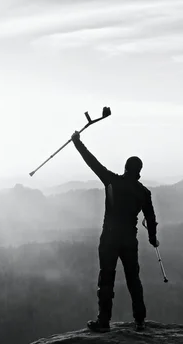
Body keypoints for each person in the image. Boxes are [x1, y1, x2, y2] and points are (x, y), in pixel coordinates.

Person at [71, 130, 159, 332]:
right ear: (139, 171)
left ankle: (104, 322)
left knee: (107, 278)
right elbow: (151, 218)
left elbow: (92, 162)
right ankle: (140, 321)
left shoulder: (112, 181)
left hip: (110, 237)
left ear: (126, 168)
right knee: (133, 279)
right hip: (129, 239)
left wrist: (77, 142)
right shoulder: (143, 193)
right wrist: (153, 238)